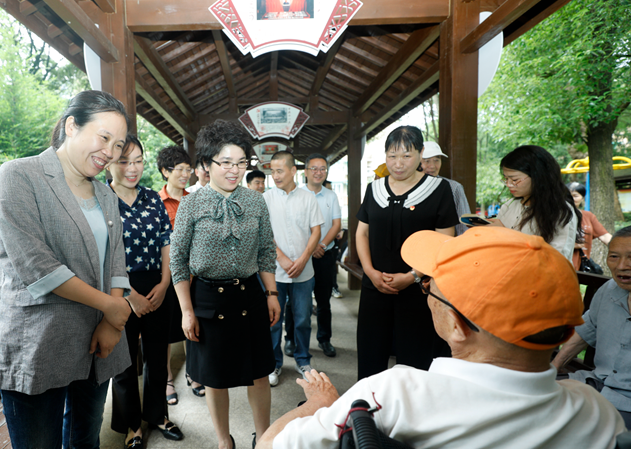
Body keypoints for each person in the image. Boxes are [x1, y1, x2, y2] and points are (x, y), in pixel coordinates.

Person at [256, 227, 626, 449]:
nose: (426, 291)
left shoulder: (393, 395)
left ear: (456, 325)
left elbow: (271, 444)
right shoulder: (595, 413)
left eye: (429, 287)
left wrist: (318, 405)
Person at [0, 90, 132, 448]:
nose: (111, 153)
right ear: (72, 125)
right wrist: (112, 308)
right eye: (104, 138)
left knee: (85, 439)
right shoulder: (19, 175)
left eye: (119, 145)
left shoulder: (105, 195)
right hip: (41, 341)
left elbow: (116, 258)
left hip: (99, 343)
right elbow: (36, 266)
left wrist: (111, 322)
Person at [170, 120, 280, 449]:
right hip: (207, 300)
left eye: (241, 162)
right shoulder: (191, 204)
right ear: (206, 163)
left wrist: (272, 293)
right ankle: (223, 440)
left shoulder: (256, 202)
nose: (235, 170)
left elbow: (265, 252)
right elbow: (178, 261)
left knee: (259, 372)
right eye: (226, 163)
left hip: (250, 295)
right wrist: (186, 311)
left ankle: (263, 436)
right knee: (215, 379)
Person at [355, 126, 457, 380]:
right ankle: (368, 412)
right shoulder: (374, 189)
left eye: (406, 156)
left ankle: (412, 414)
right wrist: (369, 272)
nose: (398, 164)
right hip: (375, 286)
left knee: (415, 357)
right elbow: (361, 234)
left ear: (421, 154)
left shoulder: (438, 189)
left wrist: (412, 276)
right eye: (392, 156)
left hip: (417, 289)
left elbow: (445, 240)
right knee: (371, 354)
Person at [108, 135, 183, 447]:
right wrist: (129, 295)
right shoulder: (102, 198)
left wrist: (165, 283)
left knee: (156, 354)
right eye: (124, 161)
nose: (132, 168)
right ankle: (131, 426)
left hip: (157, 284)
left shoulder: (153, 197)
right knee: (123, 362)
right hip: (118, 288)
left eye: (138, 160)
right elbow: (101, 254)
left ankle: (158, 414)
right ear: (109, 163)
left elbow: (167, 241)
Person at [553, 225, 631, 428]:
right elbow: (586, 331)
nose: (622, 265)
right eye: (614, 256)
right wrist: (553, 369)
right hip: (594, 383)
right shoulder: (608, 290)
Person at [264, 150, 324, 386]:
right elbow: (265, 233)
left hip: (304, 272)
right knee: (273, 322)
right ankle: (274, 364)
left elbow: (316, 231)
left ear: (292, 171)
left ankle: (303, 360)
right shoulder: (266, 198)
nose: (275, 175)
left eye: (279, 170)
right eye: (272, 171)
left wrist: (302, 259)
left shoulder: (308, 198)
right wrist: (284, 260)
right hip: (275, 273)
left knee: (302, 319)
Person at [156, 145, 205, 402]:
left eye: (188, 169)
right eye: (180, 169)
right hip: (166, 276)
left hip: (194, 276)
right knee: (165, 330)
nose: (186, 174)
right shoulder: (155, 201)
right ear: (165, 171)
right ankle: (166, 380)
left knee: (193, 323)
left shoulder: (196, 199)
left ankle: (194, 373)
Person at [284, 154, 341, 358]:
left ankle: (324, 339)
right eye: (314, 168)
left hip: (325, 254)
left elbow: (336, 224)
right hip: (301, 255)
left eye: (322, 168)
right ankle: (290, 339)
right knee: (295, 300)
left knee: (324, 300)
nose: (318, 172)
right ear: (305, 171)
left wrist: (322, 245)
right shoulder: (296, 195)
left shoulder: (331, 196)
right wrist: (311, 247)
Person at [490, 145, 580, 261]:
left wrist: (506, 233)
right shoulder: (509, 206)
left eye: (515, 180)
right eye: (506, 179)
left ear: (538, 176)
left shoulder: (560, 211)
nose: (509, 184)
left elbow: (557, 259)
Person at [420, 141, 471, 236]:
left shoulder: (454, 187)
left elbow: (464, 225)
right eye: (427, 161)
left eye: (437, 160)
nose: (432, 166)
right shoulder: (409, 187)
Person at [568, 181, 612, 270]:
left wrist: (623, 246)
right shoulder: (555, 216)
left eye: (575, 196)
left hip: (581, 265)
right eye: (568, 195)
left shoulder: (588, 216)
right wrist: (571, 244)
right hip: (561, 263)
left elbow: (604, 236)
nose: (571, 199)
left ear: (582, 198)